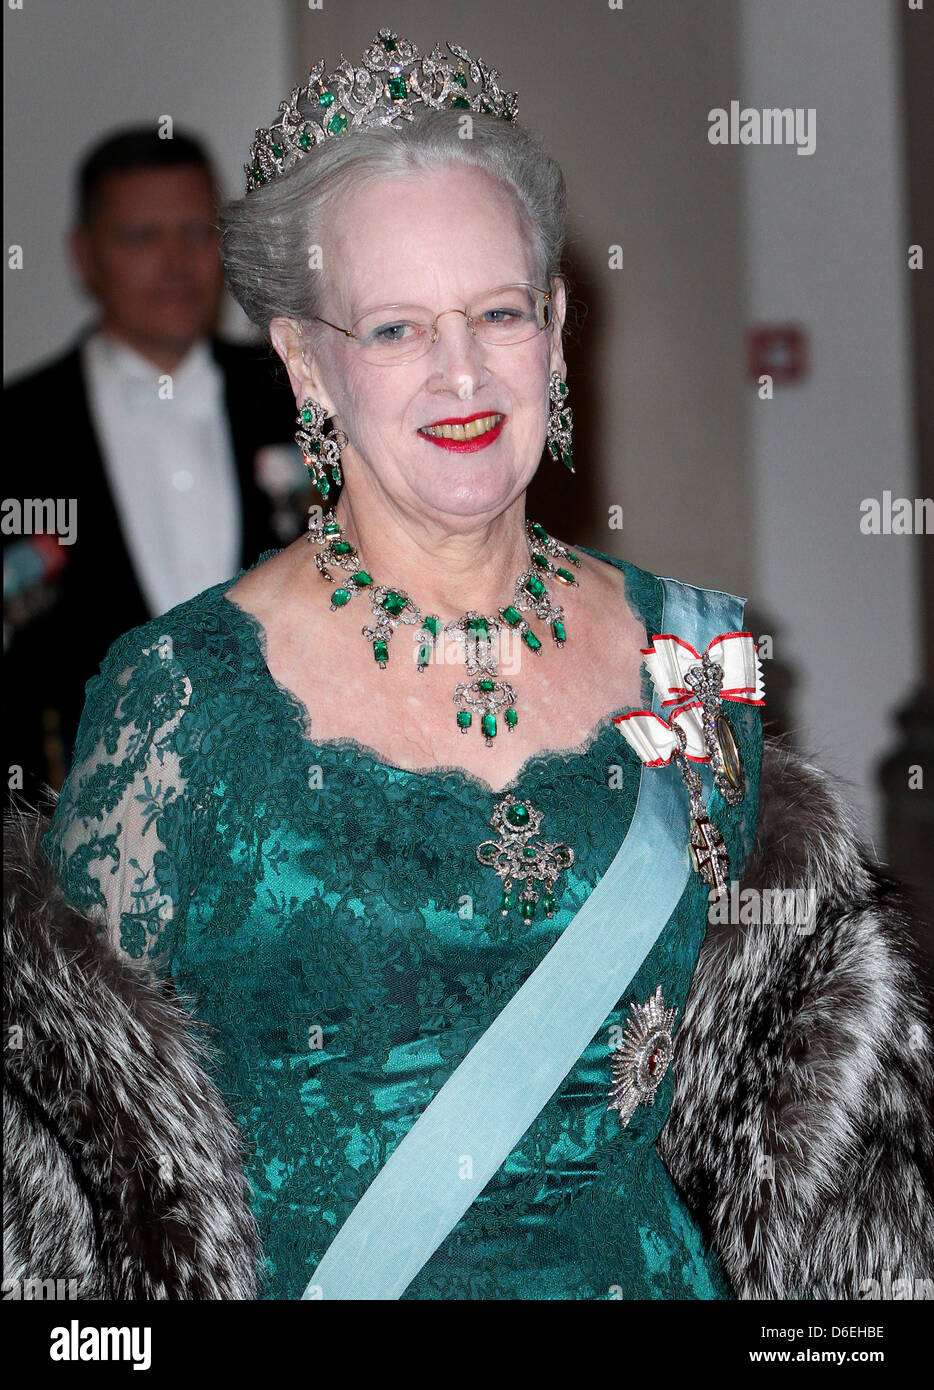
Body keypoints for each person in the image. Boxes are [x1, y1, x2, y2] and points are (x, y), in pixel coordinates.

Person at [13, 29, 931, 1301]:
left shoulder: (697, 652)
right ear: (305, 363)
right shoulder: (179, 698)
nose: (461, 371)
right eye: (393, 326)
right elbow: (69, 1185)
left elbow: (808, 1159)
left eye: (498, 310)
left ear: (554, 328)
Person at [3, 128, 306, 803]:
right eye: (142, 237)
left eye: (197, 232)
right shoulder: (18, 429)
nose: (176, 262)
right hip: (78, 833)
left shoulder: (303, 395)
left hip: (286, 813)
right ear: (85, 256)